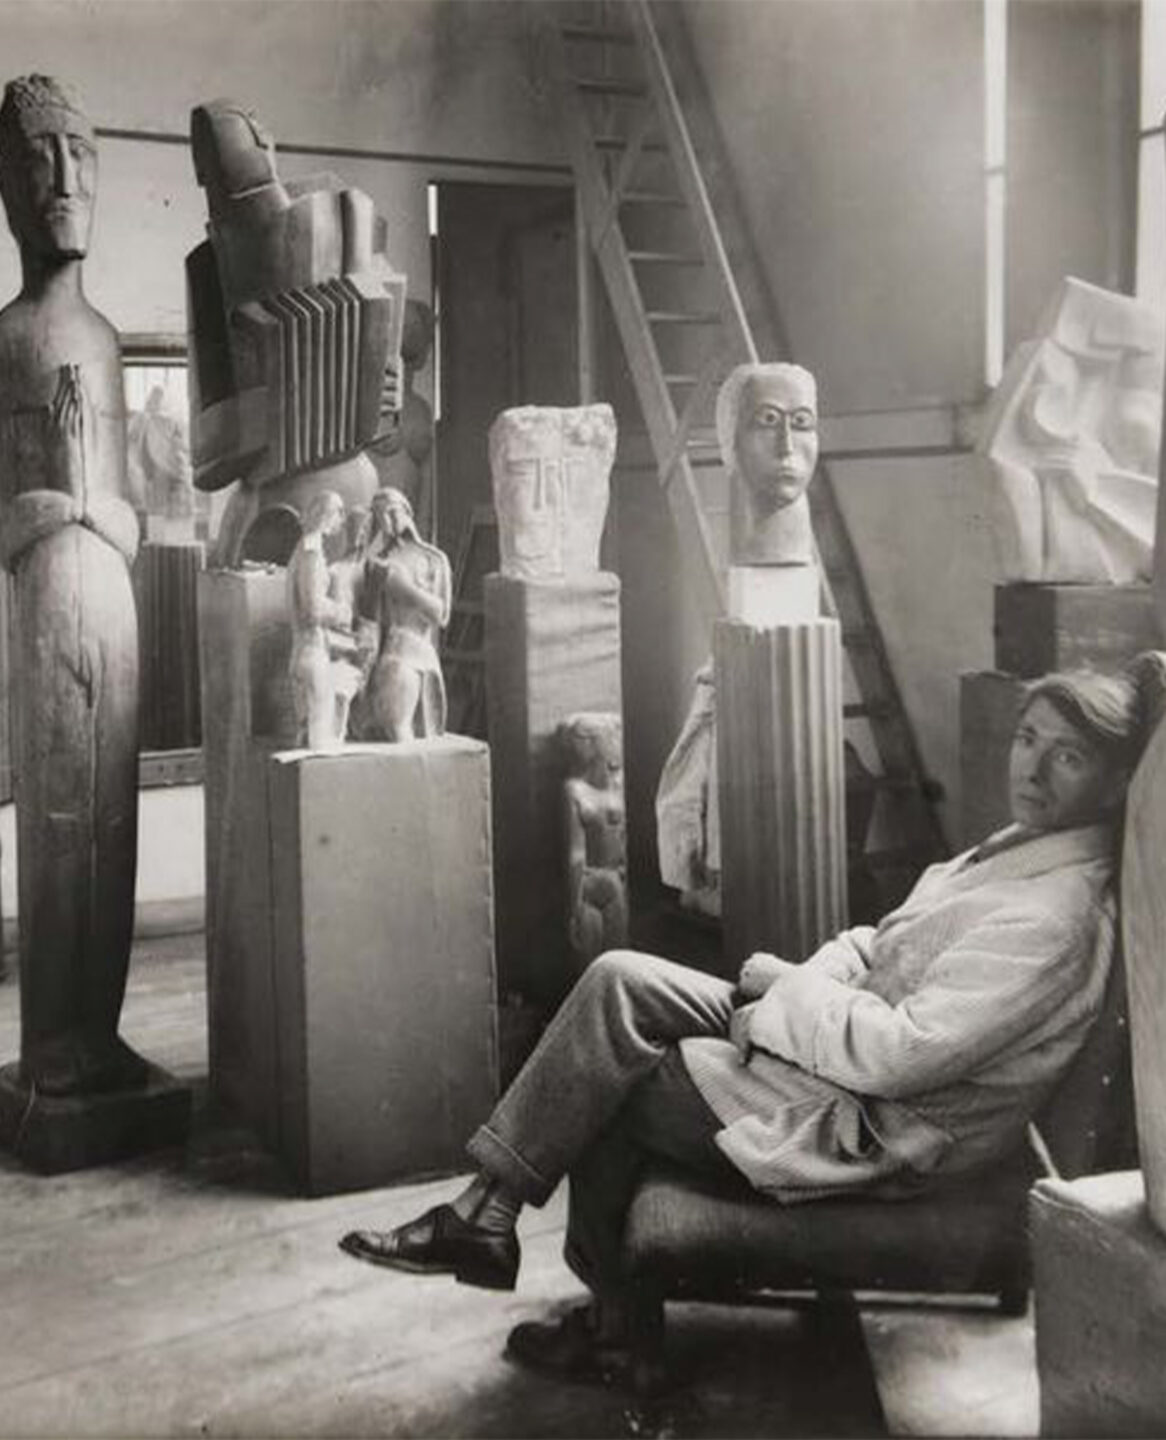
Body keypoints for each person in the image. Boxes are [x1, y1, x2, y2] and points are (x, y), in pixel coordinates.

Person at [340, 655, 1166, 1381]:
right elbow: (872, 941)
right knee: (617, 979)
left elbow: (903, 1055)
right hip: (832, 1046)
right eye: (1029, 738)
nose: (1034, 768)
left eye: (1069, 756)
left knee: (608, 1079)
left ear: (1114, 783)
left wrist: (784, 998)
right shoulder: (1016, 849)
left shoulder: (1056, 918)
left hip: (879, 1123)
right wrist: (798, 985)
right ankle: (487, 1212)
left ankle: (609, 1329)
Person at [0, 76, 146, 1096]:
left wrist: (96, 498)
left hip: (111, 590)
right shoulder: (6, 339)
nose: (64, 178)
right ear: (7, 186)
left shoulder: (103, 341)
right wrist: (56, 501)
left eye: (81, 153)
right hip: (50, 587)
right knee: (58, 821)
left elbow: (129, 498)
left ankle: (102, 1029)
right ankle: (55, 1036)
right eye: (40, 156)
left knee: (114, 821)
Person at [356, 486, 451, 741]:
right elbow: (369, 616)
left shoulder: (433, 559)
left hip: (413, 649)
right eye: (380, 517)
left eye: (392, 512)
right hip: (384, 649)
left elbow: (441, 615)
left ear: (407, 512)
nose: (387, 522)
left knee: (397, 723)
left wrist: (404, 589)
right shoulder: (377, 560)